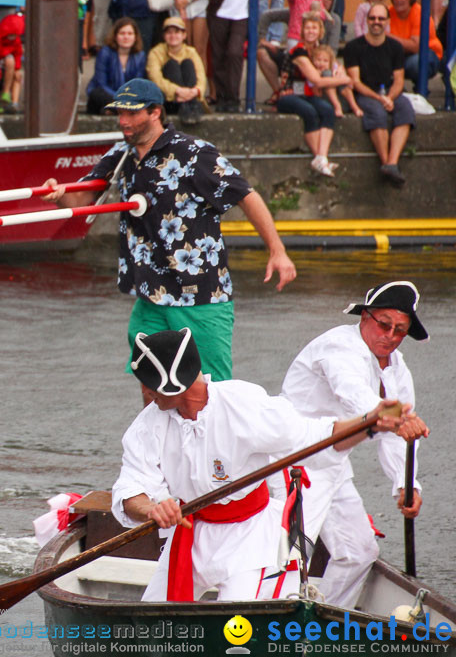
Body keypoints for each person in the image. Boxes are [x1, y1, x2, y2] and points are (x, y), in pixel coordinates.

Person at [111, 328, 426, 602]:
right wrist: (151, 509)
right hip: (189, 535)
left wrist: (369, 422)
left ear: (174, 385)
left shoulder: (242, 402)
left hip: (249, 538)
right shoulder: (146, 427)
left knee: (238, 628)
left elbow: (314, 437)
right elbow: (131, 489)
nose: (145, 392)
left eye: (148, 383)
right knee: (152, 622)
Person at [42, 78, 296, 383]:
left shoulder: (193, 153)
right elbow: (81, 200)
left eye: (131, 113)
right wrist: (58, 195)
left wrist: (277, 251)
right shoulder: (120, 154)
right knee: (152, 384)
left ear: (155, 113)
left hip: (200, 294)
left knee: (211, 390)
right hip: (151, 295)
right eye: (120, 113)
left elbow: (245, 195)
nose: (123, 121)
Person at [280, 281, 428, 609]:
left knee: (360, 553)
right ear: (364, 317)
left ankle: (317, 624)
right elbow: (356, 400)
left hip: (332, 464)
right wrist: (400, 416)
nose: (390, 335)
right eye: (383, 324)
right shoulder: (338, 348)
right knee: (285, 558)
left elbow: (394, 437)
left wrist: (405, 486)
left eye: (400, 330)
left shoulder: (398, 369)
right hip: (289, 463)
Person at [343, 4, 416, 188]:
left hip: (389, 92)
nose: (376, 22)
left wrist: (390, 97)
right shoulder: (353, 47)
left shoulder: (395, 47)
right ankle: (387, 164)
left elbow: (399, 80)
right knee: (377, 113)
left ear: (388, 22)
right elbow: (356, 82)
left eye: (381, 19)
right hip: (367, 94)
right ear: (367, 20)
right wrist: (380, 99)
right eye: (373, 18)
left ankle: (392, 163)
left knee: (406, 109)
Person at [273, 12, 349, 178]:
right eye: (307, 27)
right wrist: (344, 79)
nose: (310, 31)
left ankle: (321, 157)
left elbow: (334, 65)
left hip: (308, 94)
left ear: (320, 31)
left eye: (314, 28)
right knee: (309, 112)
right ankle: (320, 159)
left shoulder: (319, 50)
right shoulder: (299, 52)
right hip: (289, 94)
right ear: (302, 30)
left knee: (327, 110)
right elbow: (317, 80)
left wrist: (340, 72)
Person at [207, 0, 268, 112]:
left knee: (234, 53)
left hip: (242, 14)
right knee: (218, 56)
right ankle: (222, 97)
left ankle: (233, 98)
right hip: (219, 11)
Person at [146, 15, 204, 124]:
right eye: (169, 32)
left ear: (184, 35)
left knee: (187, 63)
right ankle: (185, 105)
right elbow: (155, 78)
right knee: (171, 65)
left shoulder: (191, 51)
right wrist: (177, 90)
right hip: (170, 100)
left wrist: (196, 91)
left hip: (190, 96)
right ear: (164, 35)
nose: (173, 36)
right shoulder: (156, 52)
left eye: (177, 32)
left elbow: (201, 75)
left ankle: (189, 104)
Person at [388, 0, 442, 89]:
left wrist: (388, 37)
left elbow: (416, 47)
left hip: (427, 53)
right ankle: (398, 91)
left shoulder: (419, 13)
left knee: (416, 63)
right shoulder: (388, 12)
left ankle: (421, 90)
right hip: (399, 54)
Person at [87, 16, 146, 115]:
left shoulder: (140, 56)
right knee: (96, 93)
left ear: (135, 37)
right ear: (115, 36)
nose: (126, 37)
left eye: (130, 33)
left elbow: (137, 84)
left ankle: (115, 110)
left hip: (128, 100)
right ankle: (121, 110)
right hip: (106, 97)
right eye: (122, 33)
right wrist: (120, 99)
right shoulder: (104, 53)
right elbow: (101, 83)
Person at [311, 44, 359, 120]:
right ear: (313, 60)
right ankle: (337, 106)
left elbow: (350, 84)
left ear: (330, 63)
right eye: (318, 60)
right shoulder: (312, 74)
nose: (321, 63)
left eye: (325, 61)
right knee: (327, 75)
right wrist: (320, 79)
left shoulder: (335, 69)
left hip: (343, 102)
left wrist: (339, 78)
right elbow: (317, 94)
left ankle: (354, 106)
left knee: (335, 76)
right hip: (325, 103)